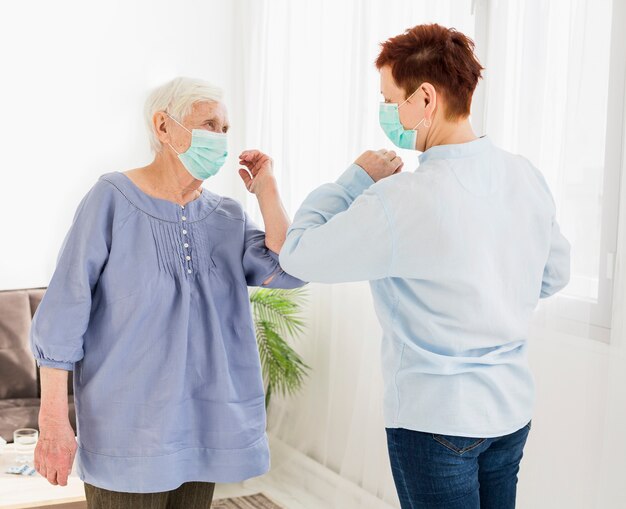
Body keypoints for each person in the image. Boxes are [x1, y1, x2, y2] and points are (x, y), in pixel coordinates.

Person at [279, 24, 570, 509]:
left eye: (389, 99)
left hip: (436, 423)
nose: (386, 112)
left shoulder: (400, 200)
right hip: (511, 412)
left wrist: (355, 179)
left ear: (425, 98)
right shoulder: (525, 175)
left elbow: (299, 253)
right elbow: (554, 274)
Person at [30, 76, 304, 508]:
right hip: (128, 435)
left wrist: (267, 189)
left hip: (205, 428)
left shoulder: (227, 216)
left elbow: (290, 268)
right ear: (163, 127)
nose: (221, 138)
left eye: (225, 129)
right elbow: (62, 315)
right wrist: (53, 422)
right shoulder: (111, 198)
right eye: (209, 124)